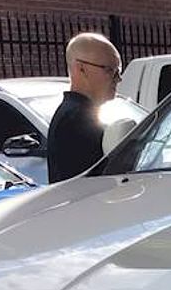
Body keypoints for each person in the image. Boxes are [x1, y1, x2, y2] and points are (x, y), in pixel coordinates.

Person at [46, 33, 123, 183]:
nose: (118, 78)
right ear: (81, 69)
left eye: (118, 71)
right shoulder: (77, 119)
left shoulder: (77, 113)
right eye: (110, 70)